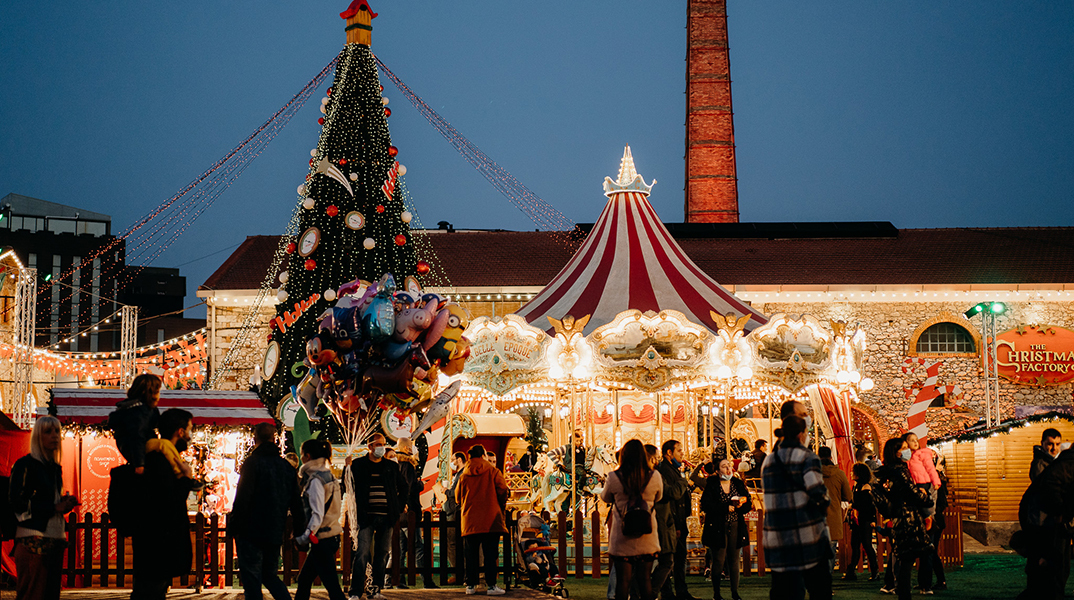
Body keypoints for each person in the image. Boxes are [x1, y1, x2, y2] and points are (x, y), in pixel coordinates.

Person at [229, 422, 305, 600]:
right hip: (274, 528)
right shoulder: (286, 467)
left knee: (252, 580)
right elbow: (296, 502)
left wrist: (235, 526)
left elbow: (243, 497)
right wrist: (299, 528)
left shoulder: (252, 463)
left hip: (250, 529)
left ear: (255, 439)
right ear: (274, 439)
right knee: (269, 575)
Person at [131, 408, 200, 600]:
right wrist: (186, 479)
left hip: (156, 542)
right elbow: (167, 501)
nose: (190, 435)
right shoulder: (160, 459)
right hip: (157, 543)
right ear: (180, 432)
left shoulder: (165, 457)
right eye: (189, 429)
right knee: (150, 591)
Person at [8, 416, 79, 600]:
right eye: (48, 431)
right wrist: (54, 507)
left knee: (50, 594)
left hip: (54, 537)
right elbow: (17, 502)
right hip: (33, 538)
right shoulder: (26, 465)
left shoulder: (54, 468)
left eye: (57, 431)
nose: (54, 436)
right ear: (38, 436)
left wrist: (63, 504)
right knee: (33, 594)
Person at [761, 414, 830, 600]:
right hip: (804, 535)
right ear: (801, 434)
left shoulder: (769, 460)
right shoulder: (807, 458)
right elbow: (818, 492)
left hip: (776, 535)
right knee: (818, 589)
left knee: (785, 591)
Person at [602, 439, 663, 600]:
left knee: (623, 581)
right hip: (647, 535)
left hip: (622, 535)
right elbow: (659, 496)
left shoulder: (614, 477)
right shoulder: (654, 476)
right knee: (645, 580)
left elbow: (605, 497)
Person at [348, 433, 406, 600]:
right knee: (362, 553)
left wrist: (398, 506)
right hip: (366, 516)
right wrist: (347, 468)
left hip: (387, 516)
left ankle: (375, 589)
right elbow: (348, 485)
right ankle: (356, 591)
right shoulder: (358, 465)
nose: (381, 447)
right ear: (370, 446)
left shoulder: (391, 467)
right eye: (378, 444)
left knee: (382, 554)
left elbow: (404, 487)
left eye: (383, 444)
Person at [873, 437, 931, 600]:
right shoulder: (900, 471)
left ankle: (900, 590)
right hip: (908, 520)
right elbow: (912, 493)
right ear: (896, 452)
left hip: (899, 520)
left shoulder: (886, 473)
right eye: (904, 448)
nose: (907, 451)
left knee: (903, 560)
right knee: (906, 564)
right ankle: (904, 595)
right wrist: (925, 496)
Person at [294, 439, 345, 600]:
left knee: (332, 587)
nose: (301, 458)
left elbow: (317, 514)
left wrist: (304, 536)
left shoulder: (316, 480)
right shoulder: (329, 476)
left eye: (302, 455)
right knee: (305, 580)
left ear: (307, 456)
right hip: (330, 535)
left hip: (322, 537)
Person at [456, 444, 509, 596]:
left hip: (470, 519)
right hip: (490, 518)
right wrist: (499, 503)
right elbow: (503, 489)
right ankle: (491, 586)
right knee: (490, 554)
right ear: (484, 455)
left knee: (471, 554)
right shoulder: (492, 471)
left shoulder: (464, 474)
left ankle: (470, 586)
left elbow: (458, 496)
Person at [701, 459, 751, 600]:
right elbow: (706, 505)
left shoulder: (737, 483)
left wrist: (741, 506)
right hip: (718, 527)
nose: (728, 468)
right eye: (724, 466)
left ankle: (735, 592)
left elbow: (748, 502)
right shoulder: (712, 484)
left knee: (734, 561)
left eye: (729, 465)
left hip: (735, 525)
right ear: (717, 471)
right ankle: (717, 593)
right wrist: (724, 508)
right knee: (718, 560)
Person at [394, 437, 436, 589]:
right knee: (418, 546)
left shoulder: (395, 464)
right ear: (407, 448)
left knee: (400, 547)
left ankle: (398, 579)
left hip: (400, 512)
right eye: (411, 446)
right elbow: (411, 487)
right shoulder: (408, 465)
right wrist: (420, 484)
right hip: (410, 510)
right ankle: (426, 580)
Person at [654, 440, 694, 600]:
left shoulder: (674, 469)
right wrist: (676, 524)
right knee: (671, 559)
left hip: (678, 519)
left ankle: (679, 590)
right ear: (669, 453)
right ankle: (667, 591)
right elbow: (671, 497)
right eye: (679, 450)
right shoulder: (665, 470)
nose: (682, 453)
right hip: (672, 520)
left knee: (678, 558)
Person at [107, 373, 162, 475]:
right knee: (165, 447)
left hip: (133, 452)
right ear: (150, 393)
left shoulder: (128, 408)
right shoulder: (141, 411)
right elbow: (137, 436)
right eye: (157, 392)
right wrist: (139, 464)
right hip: (142, 455)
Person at [842, 463, 879, 581]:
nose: (851, 473)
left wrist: (853, 505)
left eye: (854, 471)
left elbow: (867, 506)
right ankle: (851, 571)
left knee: (867, 545)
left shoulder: (866, 487)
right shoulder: (857, 486)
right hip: (857, 520)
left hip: (865, 520)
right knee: (855, 545)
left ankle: (875, 571)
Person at [818, 446, 852, 573]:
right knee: (830, 553)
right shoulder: (839, 474)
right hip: (833, 518)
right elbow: (848, 496)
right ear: (831, 457)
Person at [917, 455, 949, 594]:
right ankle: (925, 582)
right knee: (927, 551)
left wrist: (932, 515)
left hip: (933, 520)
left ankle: (936, 581)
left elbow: (939, 503)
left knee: (930, 552)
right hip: (933, 519)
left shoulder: (932, 481)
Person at [904, 433, 940, 519]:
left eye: (916, 440)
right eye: (912, 441)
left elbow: (930, 468)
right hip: (914, 483)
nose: (915, 442)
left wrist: (936, 482)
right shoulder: (907, 456)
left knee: (925, 505)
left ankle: (929, 520)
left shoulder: (922, 453)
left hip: (924, 483)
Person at [443, 451, 467, 573]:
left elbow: (458, 493)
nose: (452, 462)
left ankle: (457, 571)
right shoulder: (458, 474)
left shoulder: (463, 474)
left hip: (456, 511)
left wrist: (446, 491)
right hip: (453, 510)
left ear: (459, 459)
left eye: (453, 459)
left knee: (453, 543)